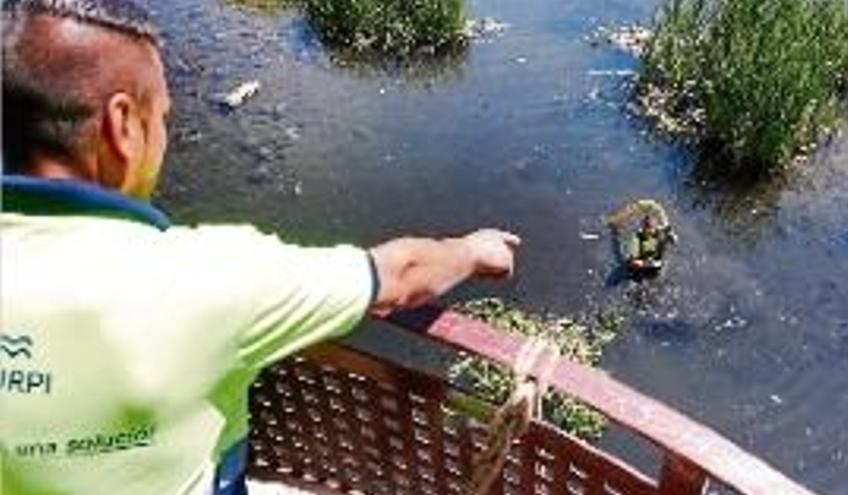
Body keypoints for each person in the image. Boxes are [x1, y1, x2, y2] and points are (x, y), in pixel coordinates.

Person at [0, 1, 520, 494]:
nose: (163, 136)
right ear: (122, 126)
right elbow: (400, 277)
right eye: (162, 117)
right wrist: (474, 250)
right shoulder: (209, 278)